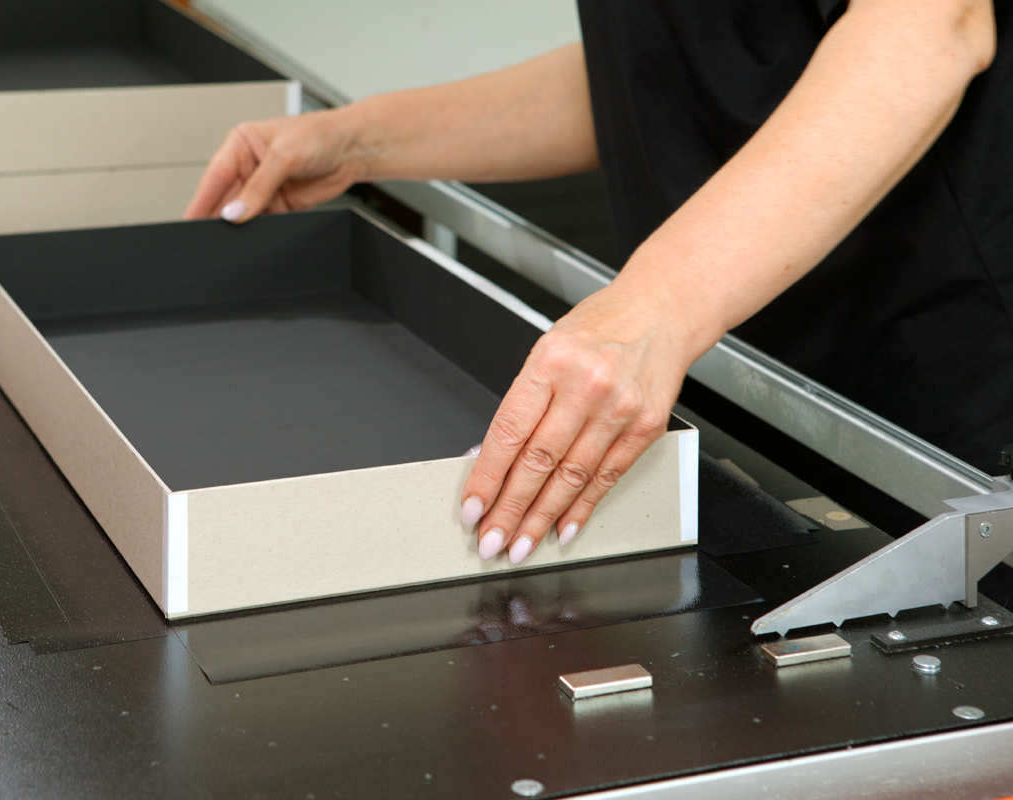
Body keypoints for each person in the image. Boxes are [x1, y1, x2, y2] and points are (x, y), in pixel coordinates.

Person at [187, 0, 1005, 565]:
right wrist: (359, 141)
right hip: (757, 380)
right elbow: (655, 74)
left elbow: (931, 26)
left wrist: (654, 307)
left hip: (944, 397)